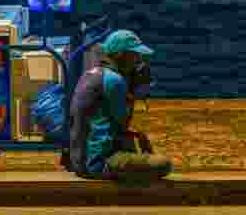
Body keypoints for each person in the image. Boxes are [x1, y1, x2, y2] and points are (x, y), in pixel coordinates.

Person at [69, 29, 172, 180]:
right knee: (163, 163)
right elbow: (122, 122)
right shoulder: (115, 81)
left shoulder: (91, 74)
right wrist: (133, 93)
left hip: (79, 160)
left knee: (132, 147)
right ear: (120, 55)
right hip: (98, 163)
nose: (138, 61)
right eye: (135, 55)